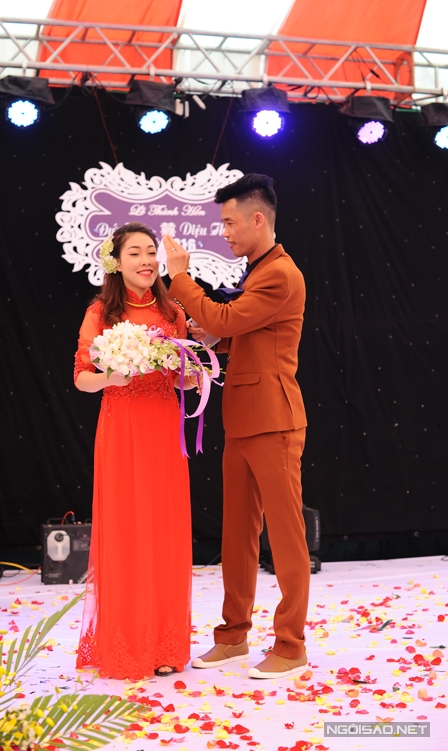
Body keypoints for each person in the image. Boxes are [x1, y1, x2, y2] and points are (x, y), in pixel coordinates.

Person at [163, 173, 310, 680]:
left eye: (228, 223)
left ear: (257, 219)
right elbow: (238, 332)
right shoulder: (259, 271)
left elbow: (228, 321)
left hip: (274, 420)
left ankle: (291, 645)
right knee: (237, 534)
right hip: (245, 419)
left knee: (286, 537)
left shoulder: (279, 274)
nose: (223, 232)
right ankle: (233, 636)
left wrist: (181, 278)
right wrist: (210, 336)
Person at [74, 221, 198, 680]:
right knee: (126, 531)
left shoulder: (173, 312)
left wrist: (192, 375)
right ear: (116, 263)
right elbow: (82, 377)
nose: (147, 261)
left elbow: (183, 376)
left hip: (163, 429)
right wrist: (112, 377)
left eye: (151, 252)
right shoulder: (100, 313)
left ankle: (165, 644)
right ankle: (125, 643)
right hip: (121, 428)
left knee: (164, 530)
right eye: (135, 253)